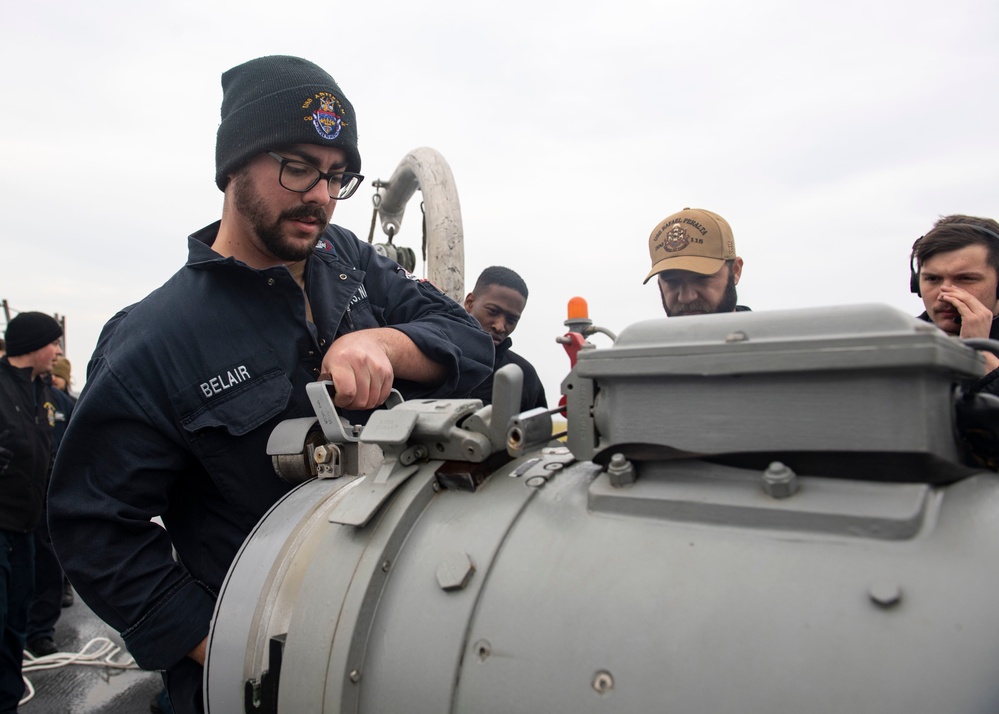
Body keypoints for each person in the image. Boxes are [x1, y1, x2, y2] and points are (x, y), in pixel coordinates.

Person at [48, 55, 492, 714]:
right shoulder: (154, 340)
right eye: (296, 166)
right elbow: (93, 528)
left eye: (336, 175)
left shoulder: (346, 261)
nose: (319, 193)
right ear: (234, 167)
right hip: (262, 681)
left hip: (392, 636)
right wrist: (232, 647)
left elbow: (470, 344)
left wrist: (378, 342)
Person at [0, 312, 63, 711]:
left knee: (15, 619)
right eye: (53, 343)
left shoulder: (42, 391)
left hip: (29, 523)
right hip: (1, 522)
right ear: (35, 345)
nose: (58, 350)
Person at [910, 214, 999, 396]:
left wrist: (980, 355)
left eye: (965, 279)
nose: (945, 295)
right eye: (932, 279)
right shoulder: (901, 343)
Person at [25, 358, 76, 659]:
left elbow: (74, 443)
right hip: (16, 499)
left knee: (47, 562)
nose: (56, 351)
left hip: (48, 493)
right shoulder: (11, 393)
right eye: (52, 344)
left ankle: (41, 632)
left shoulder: (59, 401)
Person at [464, 266, 547, 411]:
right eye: (493, 311)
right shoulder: (431, 355)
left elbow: (537, 432)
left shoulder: (523, 376)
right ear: (470, 303)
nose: (501, 326)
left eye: (512, 319)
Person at [644, 207, 749, 315]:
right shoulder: (639, 332)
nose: (686, 298)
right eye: (672, 282)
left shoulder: (764, 331)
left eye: (702, 279)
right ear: (659, 283)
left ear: (736, 271)